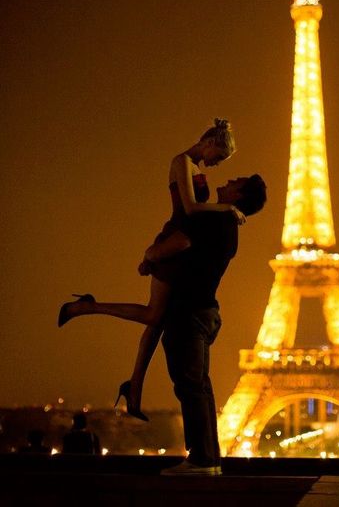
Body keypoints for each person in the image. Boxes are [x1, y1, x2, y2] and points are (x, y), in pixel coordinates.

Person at [58, 119, 244, 420]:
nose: (218, 164)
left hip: (182, 245)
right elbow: (191, 208)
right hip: (174, 240)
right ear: (209, 143)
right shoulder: (181, 161)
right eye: (219, 156)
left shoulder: (194, 166)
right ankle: (85, 307)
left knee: (157, 323)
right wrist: (229, 208)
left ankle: (135, 388)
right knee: (154, 315)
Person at [159, 174, 267, 475]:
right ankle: (209, 459)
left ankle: (201, 460)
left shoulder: (214, 222)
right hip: (204, 310)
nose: (230, 178)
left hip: (189, 310)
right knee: (199, 387)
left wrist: (150, 254)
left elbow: (178, 240)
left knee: (191, 387)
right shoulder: (228, 225)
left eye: (237, 181)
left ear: (238, 195)